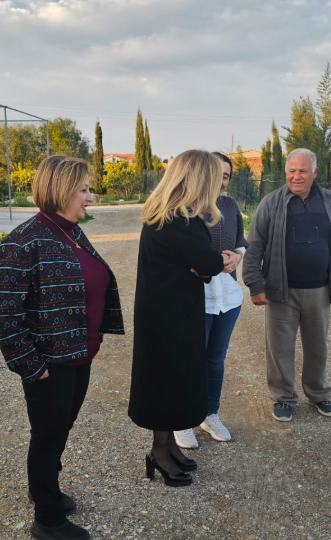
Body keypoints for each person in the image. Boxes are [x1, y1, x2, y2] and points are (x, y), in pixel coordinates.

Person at [0, 155, 124, 540]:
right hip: (50, 364)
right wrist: (31, 366)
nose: (90, 198)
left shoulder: (72, 232)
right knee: (48, 438)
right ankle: (47, 519)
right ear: (62, 189)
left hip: (80, 356)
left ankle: (43, 488)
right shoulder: (23, 241)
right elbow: (5, 312)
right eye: (84, 190)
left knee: (60, 430)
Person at [128, 150, 230, 487]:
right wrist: (223, 260)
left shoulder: (169, 213)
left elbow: (199, 263)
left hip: (169, 309)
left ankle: (169, 446)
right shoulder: (177, 219)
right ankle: (159, 452)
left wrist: (206, 264)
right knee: (166, 381)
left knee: (173, 379)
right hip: (168, 315)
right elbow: (207, 262)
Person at [242, 148, 331, 422]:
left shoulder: (329, 201)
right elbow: (254, 246)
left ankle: (318, 394)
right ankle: (283, 397)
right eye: (292, 171)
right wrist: (255, 285)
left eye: (303, 171)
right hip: (281, 290)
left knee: (318, 348)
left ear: (314, 172)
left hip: (319, 290)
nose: (296, 176)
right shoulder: (271, 203)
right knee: (279, 348)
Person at [174, 152, 248, 449]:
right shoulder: (185, 208)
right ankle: (181, 418)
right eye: (216, 174)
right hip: (197, 296)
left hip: (227, 297)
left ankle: (209, 413)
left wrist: (238, 256)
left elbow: (241, 241)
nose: (220, 181)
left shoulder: (230, 206)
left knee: (215, 359)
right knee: (190, 359)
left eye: (226, 176)